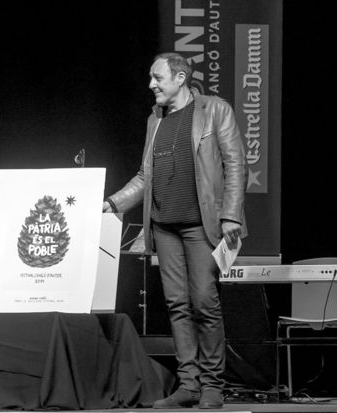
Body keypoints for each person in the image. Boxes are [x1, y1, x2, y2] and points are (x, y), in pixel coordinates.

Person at [103, 53, 247, 409]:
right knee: (178, 305)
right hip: (164, 227)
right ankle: (189, 385)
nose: (152, 85)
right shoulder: (156, 120)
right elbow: (144, 175)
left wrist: (231, 216)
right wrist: (114, 203)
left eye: (158, 78)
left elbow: (236, 164)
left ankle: (213, 386)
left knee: (204, 301)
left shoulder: (214, 110)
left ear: (180, 78)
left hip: (202, 225)